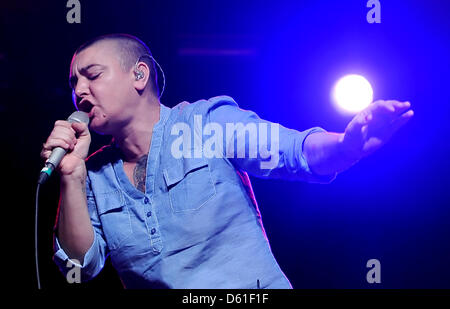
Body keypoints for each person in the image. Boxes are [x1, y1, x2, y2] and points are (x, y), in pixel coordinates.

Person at [40, 33, 414, 288]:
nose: (79, 92)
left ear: (140, 75)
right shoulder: (94, 175)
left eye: (92, 76)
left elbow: (293, 151)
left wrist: (346, 146)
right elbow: (78, 267)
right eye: (74, 83)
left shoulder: (206, 122)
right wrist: (71, 175)